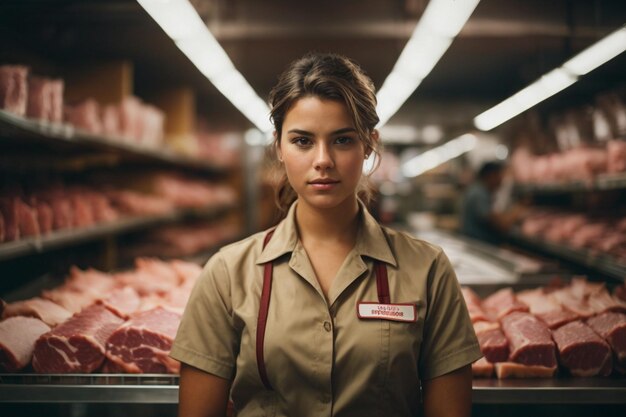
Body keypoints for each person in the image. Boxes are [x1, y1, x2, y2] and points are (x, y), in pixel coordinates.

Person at [170, 52, 481, 417]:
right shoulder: (227, 273)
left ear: (369, 144)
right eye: (302, 141)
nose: (323, 160)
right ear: (279, 147)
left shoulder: (428, 270)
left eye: (343, 140)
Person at [460, 161, 525, 245]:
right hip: (480, 245)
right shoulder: (479, 194)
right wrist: (520, 207)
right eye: (500, 176)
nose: (501, 180)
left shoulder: (478, 190)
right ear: (491, 176)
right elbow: (501, 224)